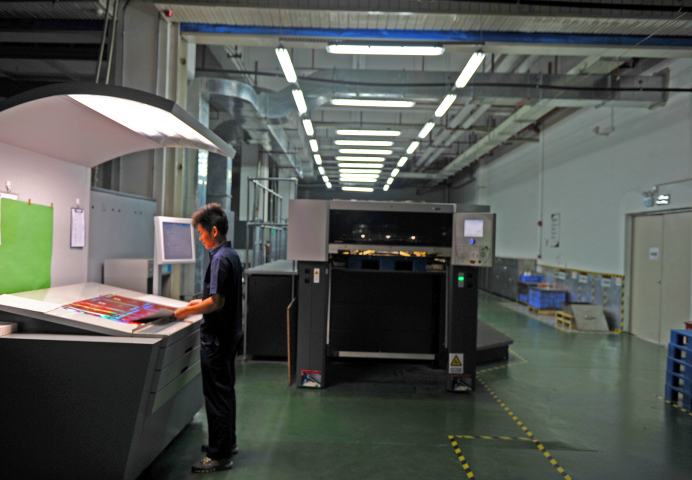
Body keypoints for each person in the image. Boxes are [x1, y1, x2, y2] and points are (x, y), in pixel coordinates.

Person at [174, 203, 243, 474]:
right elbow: (219, 297)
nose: (200, 239)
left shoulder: (219, 259)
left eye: (202, 233)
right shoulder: (231, 255)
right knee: (225, 392)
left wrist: (186, 311)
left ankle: (218, 455)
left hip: (216, 340)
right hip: (229, 335)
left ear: (214, 231)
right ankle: (227, 443)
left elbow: (216, 302)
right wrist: (198, 302)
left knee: (216, 396)